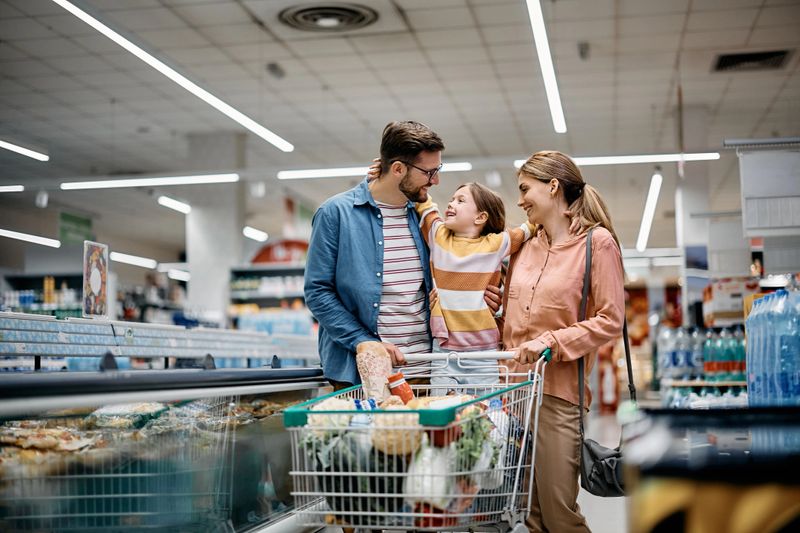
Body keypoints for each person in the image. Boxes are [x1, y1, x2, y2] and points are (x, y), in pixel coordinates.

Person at [501, 150, 625, 532]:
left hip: (557, 395)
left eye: (525, 188)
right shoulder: (525, 246)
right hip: (512, 394)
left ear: (553, 187)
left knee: (558, 514)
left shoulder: (595, 243)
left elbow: (610, 320)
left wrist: (551, 342)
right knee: (530, 515)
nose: (520, 199)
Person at [304, 120, 443, 388]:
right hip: (360, 374)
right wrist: (363, 341)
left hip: (424, 372)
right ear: (398, 169)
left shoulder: (423, 217)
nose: (435, 180)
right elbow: (317, 291)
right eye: (429, 172)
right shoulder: (336, 214)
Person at [414, 183, 534, 394]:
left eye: (460, 201)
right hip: (443, 350)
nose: (451, 204)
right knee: (443, 413)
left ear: (480, 217)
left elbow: (529, 227)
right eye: (452, 199)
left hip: (483, 352)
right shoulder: (438, 236)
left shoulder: (495, 244)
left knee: (486, 413)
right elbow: (425, 204)